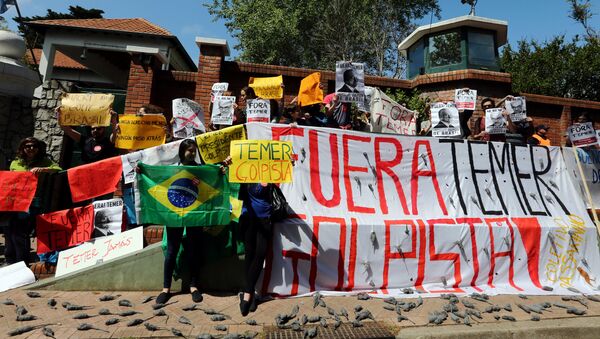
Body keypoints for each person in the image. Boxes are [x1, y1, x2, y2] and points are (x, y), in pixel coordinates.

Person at [156, 139, 206, 304]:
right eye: (189, 150)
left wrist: (216, 173)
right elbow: (157, 180)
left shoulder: (201, 170)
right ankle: (166, 288)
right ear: (182, 151)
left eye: (194, 150)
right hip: (175, 214)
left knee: (194, 250)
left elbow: (210, 184)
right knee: (171, 251)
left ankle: (194, 286)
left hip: (194, 214)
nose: (192, 153)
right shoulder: (172, 169)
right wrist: (141, 170)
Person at [5, 137, 61, 265]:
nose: (31, 149)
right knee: (17, 231)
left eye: (34, 146)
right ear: (22, 149)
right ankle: (21, 260)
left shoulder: (45, 161)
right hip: (19, 202)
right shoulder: (15, 164)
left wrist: (44, 170)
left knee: (31, 230)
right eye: (28, 146)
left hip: (36, 201)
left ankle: (33, 260)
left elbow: (59, 170)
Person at [239, 182, 273, 316]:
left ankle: (247, 292)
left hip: (265, 218)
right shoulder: (244, 167)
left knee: (260, 253)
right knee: (250, 254)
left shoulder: (270, 169)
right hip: (248, 217)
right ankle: (250, 293)